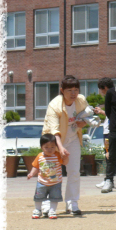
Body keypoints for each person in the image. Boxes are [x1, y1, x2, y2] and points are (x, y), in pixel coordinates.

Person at [42, 75, 88, 216]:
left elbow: (87, 116)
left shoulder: (81, 100)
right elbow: (54, 130)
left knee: (74, 172)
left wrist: (84, 122)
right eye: (69, 90)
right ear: (62, 90)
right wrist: (60, 148)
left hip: (73, 140)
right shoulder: (54, 105)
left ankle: (72, 203)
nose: (73, 93)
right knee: (50, 173)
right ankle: (45, 204)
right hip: (52, 143)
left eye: (76, 90)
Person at [27, 134, 69, 219]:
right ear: (41, 147)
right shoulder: (40, 156)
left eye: (52, 147)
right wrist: (31, 173)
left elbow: (65, 163)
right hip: (42, 182)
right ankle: (37, 210)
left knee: (54, 198)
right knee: (39, 197)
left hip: (56, 182)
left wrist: (66, 157)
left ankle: (52, 211)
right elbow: (36, 166)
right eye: (46, 147)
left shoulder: (57, 155)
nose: (49, 149)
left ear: (56, 147)